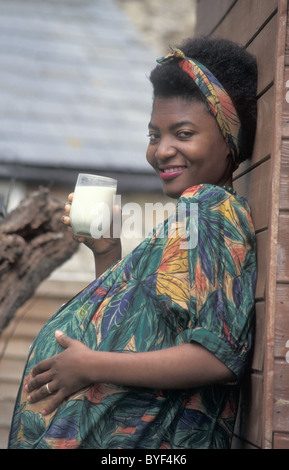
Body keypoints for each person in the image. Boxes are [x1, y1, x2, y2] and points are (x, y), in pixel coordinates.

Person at [8, 36, 257, 449]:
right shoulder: (190, 218)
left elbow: (216, 356)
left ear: (228, 140)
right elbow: (140, 329)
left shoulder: (209, 208)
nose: (161, 150)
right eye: (153, 134)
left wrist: (88, 365)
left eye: (183, 132)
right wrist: (108, 251)